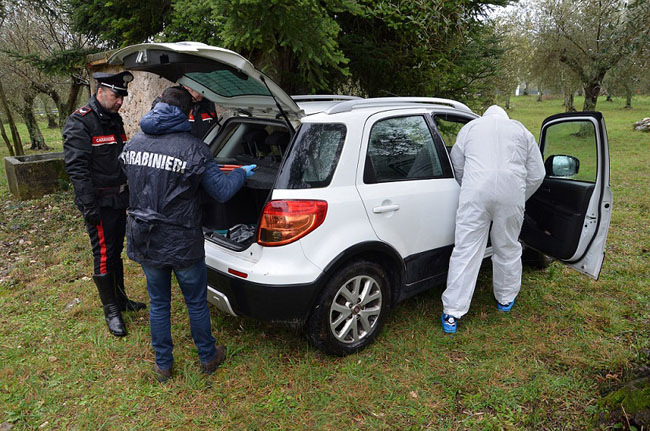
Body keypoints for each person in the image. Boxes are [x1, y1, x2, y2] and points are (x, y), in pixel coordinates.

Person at [120, 86, 256, 382]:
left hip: (145, 237)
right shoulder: (193, 147)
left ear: (157, 107)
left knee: (158, 302)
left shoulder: (134, 143)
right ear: (187, 113)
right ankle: (208, 357)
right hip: (182, 240)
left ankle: (163, 366)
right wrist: (240, 174)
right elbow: (220, 192)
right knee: (195, 302)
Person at [440, 105, 545, 334]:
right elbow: (538, 174)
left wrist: (469, 186)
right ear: (506, 117)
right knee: (507, 246)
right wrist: (519, 195)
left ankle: (452, 313)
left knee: (466, 249)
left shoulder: (470, 128)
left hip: (475, 193)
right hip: (511, 195)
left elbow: (457, 163)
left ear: (484, 116)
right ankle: (505, 299)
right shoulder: (521, 130)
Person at [63, 71, 146, 338]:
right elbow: (77, 168)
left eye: (122, 97)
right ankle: (111, 311)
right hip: (98, 202)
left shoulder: (113, 119)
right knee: (102, 254)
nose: (120, 101)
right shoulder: (81, 122)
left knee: (115, 251)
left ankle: (120, 299)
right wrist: (88, 206)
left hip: (118, 198)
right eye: (115, 96)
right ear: (100, 91)